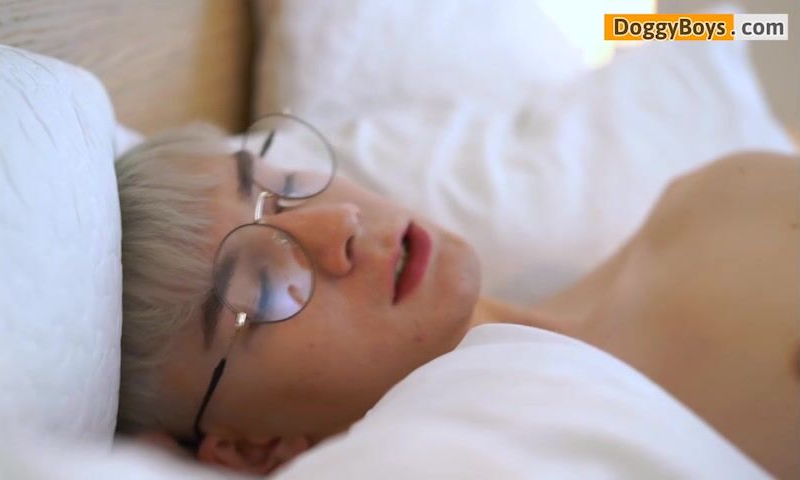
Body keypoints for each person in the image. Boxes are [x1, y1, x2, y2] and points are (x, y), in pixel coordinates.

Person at [114, 115, 798, 478]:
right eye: (265, 286)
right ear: (252, 450)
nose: (339, 224)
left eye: (288, 184)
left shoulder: (722, 202)